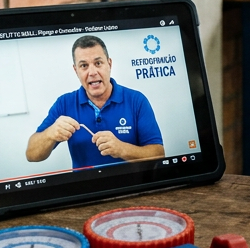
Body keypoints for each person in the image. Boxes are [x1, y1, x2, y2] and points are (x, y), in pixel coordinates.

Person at [26, 35, 165, 166]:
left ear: (109, 64)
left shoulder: (136, 100)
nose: (92, 72)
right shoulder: (64, 104)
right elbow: (31, 155)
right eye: (84, 66)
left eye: (98, 63)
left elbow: (159, 154)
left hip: (133, 186)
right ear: (76, 71)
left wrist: (122, 149)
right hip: (86, 188)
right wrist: (50, 133)